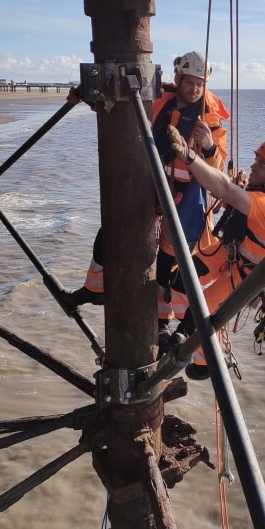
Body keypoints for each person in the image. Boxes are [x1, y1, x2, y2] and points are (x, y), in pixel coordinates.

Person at [64, 51, 229, 327]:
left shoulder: (209, 117)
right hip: (151, 183)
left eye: (201, 83)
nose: (195, 88)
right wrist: (85, 95)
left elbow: (218, 169)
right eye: (190, 82)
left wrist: (210, 146)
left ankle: (162, 323)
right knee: (112, 229)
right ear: (179, 78)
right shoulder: (160, 99)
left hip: (186, 198)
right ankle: (94, 289)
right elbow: (122, 108)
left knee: (168, 264)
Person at [166, 126, 265, 380]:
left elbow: (225, 191)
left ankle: (207, 361)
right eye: (256, 161)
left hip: (245, 274)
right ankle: (189, 332)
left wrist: (190, 157)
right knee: (182, 280)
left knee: (200, 310)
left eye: (260, 164)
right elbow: (233, 196)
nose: (252, 167)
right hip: (233, 252)